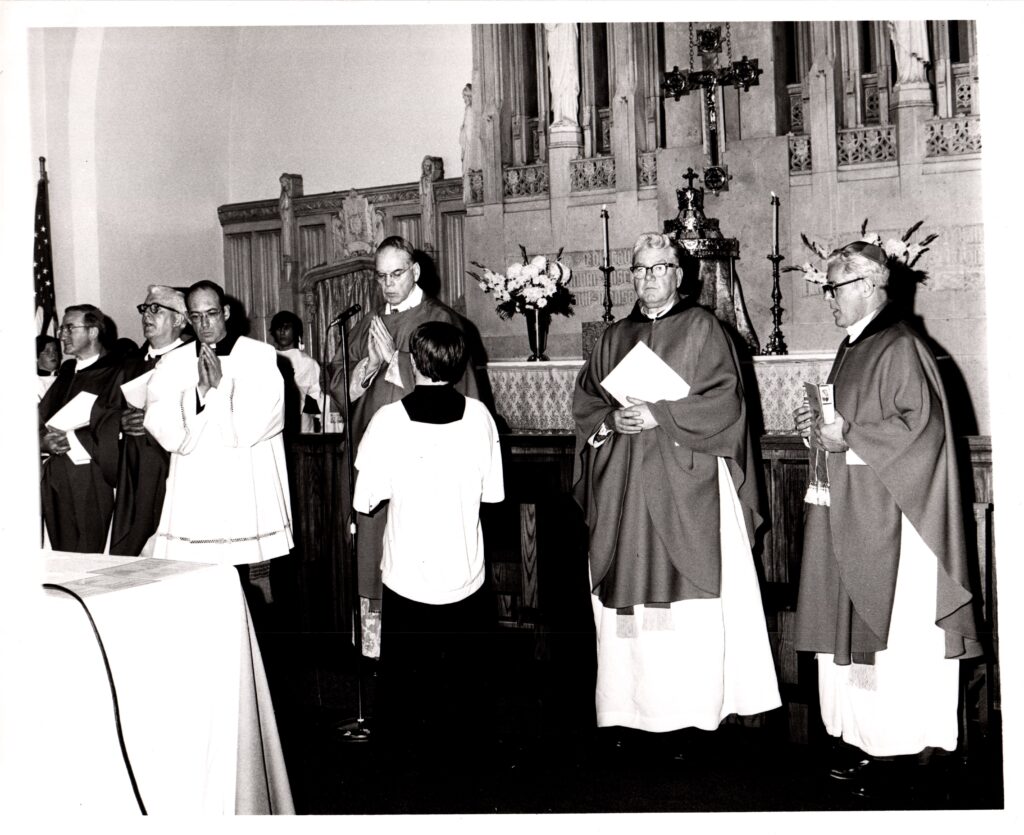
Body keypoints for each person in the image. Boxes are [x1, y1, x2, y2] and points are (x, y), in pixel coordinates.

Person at [571, 232, 780, 742]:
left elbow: (728, 404)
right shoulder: (613, 336)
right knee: (628, 608)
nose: (648, 278)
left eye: (659, 268)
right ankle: (628, 711)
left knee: (689, 609)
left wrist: (661, 413)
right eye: (640, 269)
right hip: (624, 489)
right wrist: (611, 419)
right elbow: (585, 404)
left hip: (688, 491)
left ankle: (692, 715)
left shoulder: (704, 329)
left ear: (679, 273)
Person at [792, 240, 980, 795]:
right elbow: (844, 424)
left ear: (872, 284)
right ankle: (863, 738)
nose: (828, 298)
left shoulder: (899, 345)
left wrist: (846, 434)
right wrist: (820, 429)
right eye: (827, 288)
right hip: (859, 511)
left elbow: (923, 433)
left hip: (897, 522)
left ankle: (903, 749)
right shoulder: (852, 346)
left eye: (836, 287)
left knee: (898, 635)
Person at [352, 321, 503, 760]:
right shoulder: (479, 416)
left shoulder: (388, 419)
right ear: (459, 366)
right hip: (464, 574)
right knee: (464, 690)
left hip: (408, 577)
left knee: (406, 691)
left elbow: (365, 501)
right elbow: (492, 494)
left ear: (413, 361)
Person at [329, 235, 479, 654]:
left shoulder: (443, 322)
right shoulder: (367, 325)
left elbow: (459, 395)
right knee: (374, 553)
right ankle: (381, 660)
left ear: (415, 271)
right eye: (380, 277)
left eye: (397, 274)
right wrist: (369, 365)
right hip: (378, 464)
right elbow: (339, 385)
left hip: (428, 470)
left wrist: (394, 364)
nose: (388, 285)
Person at [144, 280, 293, 566]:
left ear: (225, 312)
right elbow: (159, 419)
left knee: (247, 570)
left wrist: (222, 386)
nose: (204, 323)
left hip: (246, 482)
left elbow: (269, 415)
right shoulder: (173, 363)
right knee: (198, 569)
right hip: (196, 486)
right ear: (188, 318)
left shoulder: (259, 356)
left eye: (211, 313)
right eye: (196, 316)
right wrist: (199, 391)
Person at [109, 285, 191, 556]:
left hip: (174, 468)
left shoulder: (193, 360)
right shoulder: (129, 365)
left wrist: (156, 419)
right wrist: (120, 423)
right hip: (133, 470)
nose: (146, 315)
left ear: (179, 319)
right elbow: (104, 411)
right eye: (145, 308)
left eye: (156, 309)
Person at [39, 304, 124, 552]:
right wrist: (42, 442)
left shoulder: (116, 372)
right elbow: (42, 416)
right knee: (60, 550)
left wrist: (73, 439)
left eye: (69, 328)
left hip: (90, 474)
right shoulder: (66, 371)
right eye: (62, 328)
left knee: (89, 548)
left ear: (93, 332)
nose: (62, 335)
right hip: (55, 471)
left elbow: (116, 423)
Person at [270, 310, 322, 434]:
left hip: (301, 420)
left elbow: (317, 395)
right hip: (272, 418)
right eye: (278, 328)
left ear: (296, 331)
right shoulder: (268, 358)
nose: (282, 332)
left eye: (286, 328)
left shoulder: (308, 363)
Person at [36, 334, 60, 401]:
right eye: (47, 351)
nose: (53, 354)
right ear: (37, 356)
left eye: (55, 350)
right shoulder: (34, 383)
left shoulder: (64, 378)